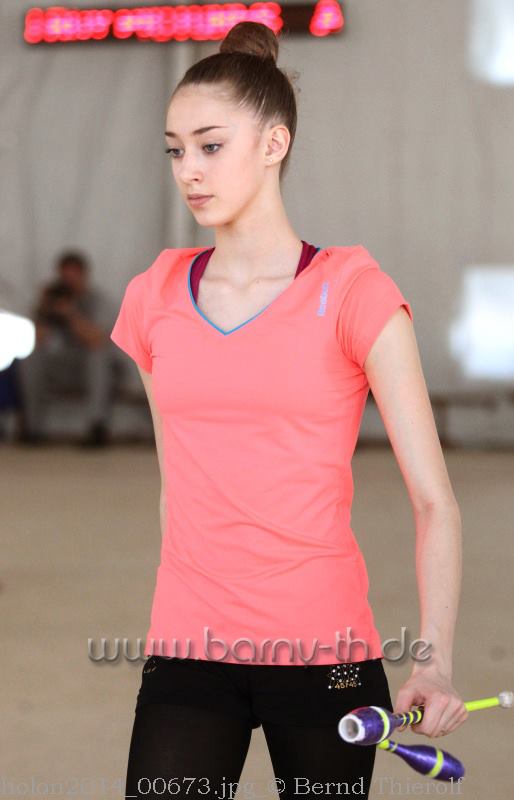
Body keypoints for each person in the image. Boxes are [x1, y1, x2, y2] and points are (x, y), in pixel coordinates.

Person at [110, 21, 467, 800]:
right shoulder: (153, 297)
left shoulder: (355, 293)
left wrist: (433, 658)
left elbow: (433, 501)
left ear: (274, 144)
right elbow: (178, 483)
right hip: (189, 644)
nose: (188, 170)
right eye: (175, 150)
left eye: (210, 146)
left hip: (324, 656)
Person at [18, 250, 117, 446]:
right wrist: (44, 310)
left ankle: (96, 427)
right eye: (65, 278)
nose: (69, 283)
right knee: (29, 359)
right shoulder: (49, 302)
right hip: (59, 365)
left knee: (97, 357)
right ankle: (32, 427)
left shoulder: (97, 301)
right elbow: (32, 340)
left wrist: (71, 314)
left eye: (73, 278)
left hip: (89, 368)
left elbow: (97, 340)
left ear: (84, 276)